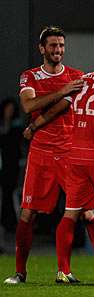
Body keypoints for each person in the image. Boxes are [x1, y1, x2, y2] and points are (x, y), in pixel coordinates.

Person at [4, 26, 94, 284]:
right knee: (28, 214)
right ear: (42, 48)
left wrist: (36, 123)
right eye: (53, 46)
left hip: (70, 152)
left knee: (86, 213)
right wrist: (61, 91)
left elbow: (63, 108)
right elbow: (28, 104)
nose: (58, 50)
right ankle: (20, 272)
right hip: (41, 153)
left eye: (61, 46)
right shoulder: (29, 77)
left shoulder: (75, 76)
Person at [0, 98, 24, 233]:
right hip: (3, 165)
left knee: (11, 194)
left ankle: (13, 223)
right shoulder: (3, 125)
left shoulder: (16, 126)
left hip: (13, 166)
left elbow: (11, 144)